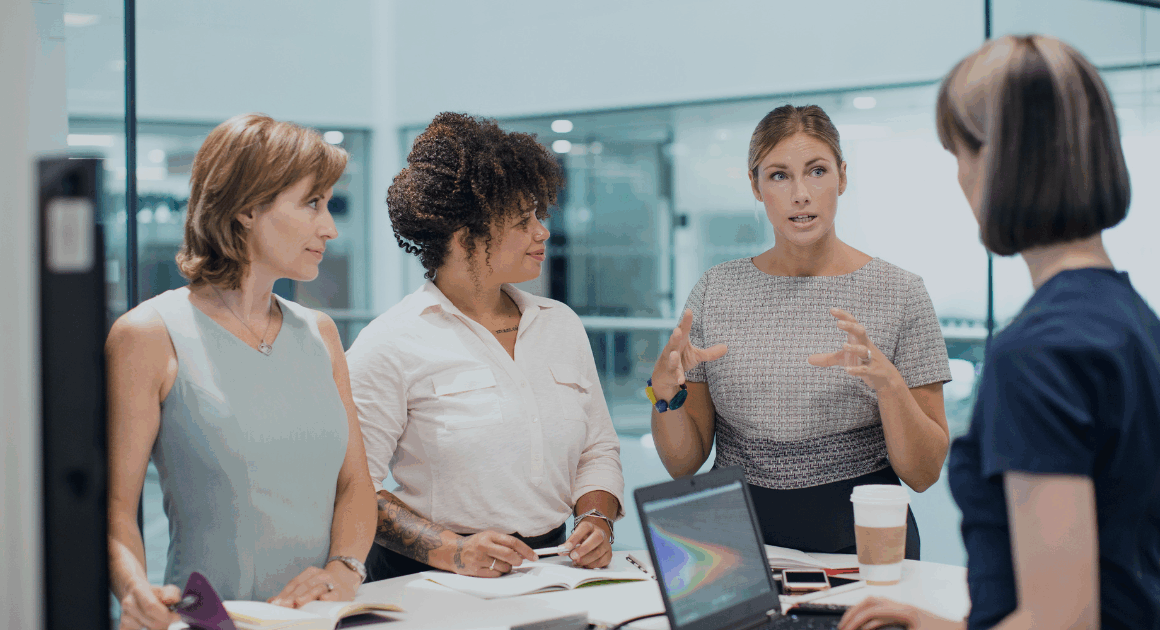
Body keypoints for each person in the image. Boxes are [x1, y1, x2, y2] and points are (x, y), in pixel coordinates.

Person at [839, 35, 1160, 630]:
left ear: (1006, 161)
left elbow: (1063, 620)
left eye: (962, 153)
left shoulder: (1037, 353)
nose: (960, 178)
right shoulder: (1134, 322)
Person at [106, 114, 377, 630]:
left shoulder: (320, 332)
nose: (330, 227)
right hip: (211, 621)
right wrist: (134, 590)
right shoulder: (147, 334)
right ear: (249, 207)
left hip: (324, 620)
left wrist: (343, 570)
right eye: (312, 203)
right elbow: (116, 509)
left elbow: (355, 486)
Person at [649, 104, 952, 558]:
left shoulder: (901, 292)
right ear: (755, 186)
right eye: (778, 176)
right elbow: (683, 464)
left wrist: (890, 387)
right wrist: (662, 392)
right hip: (736, 535)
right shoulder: (715, 290)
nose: (800, 194)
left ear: (842, 177)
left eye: (816, 171)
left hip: (862, 529)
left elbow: (925, 474)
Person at [346, 112, 624, 581]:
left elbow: (597, 449)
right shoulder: (391, 342)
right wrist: (453, 550)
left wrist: (596, 520)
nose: (542, 232)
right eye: (522, 220)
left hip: (552, 570)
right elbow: (355, 488)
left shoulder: (560, 325)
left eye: (539, 214)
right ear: (463, 239)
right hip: (429, 579)